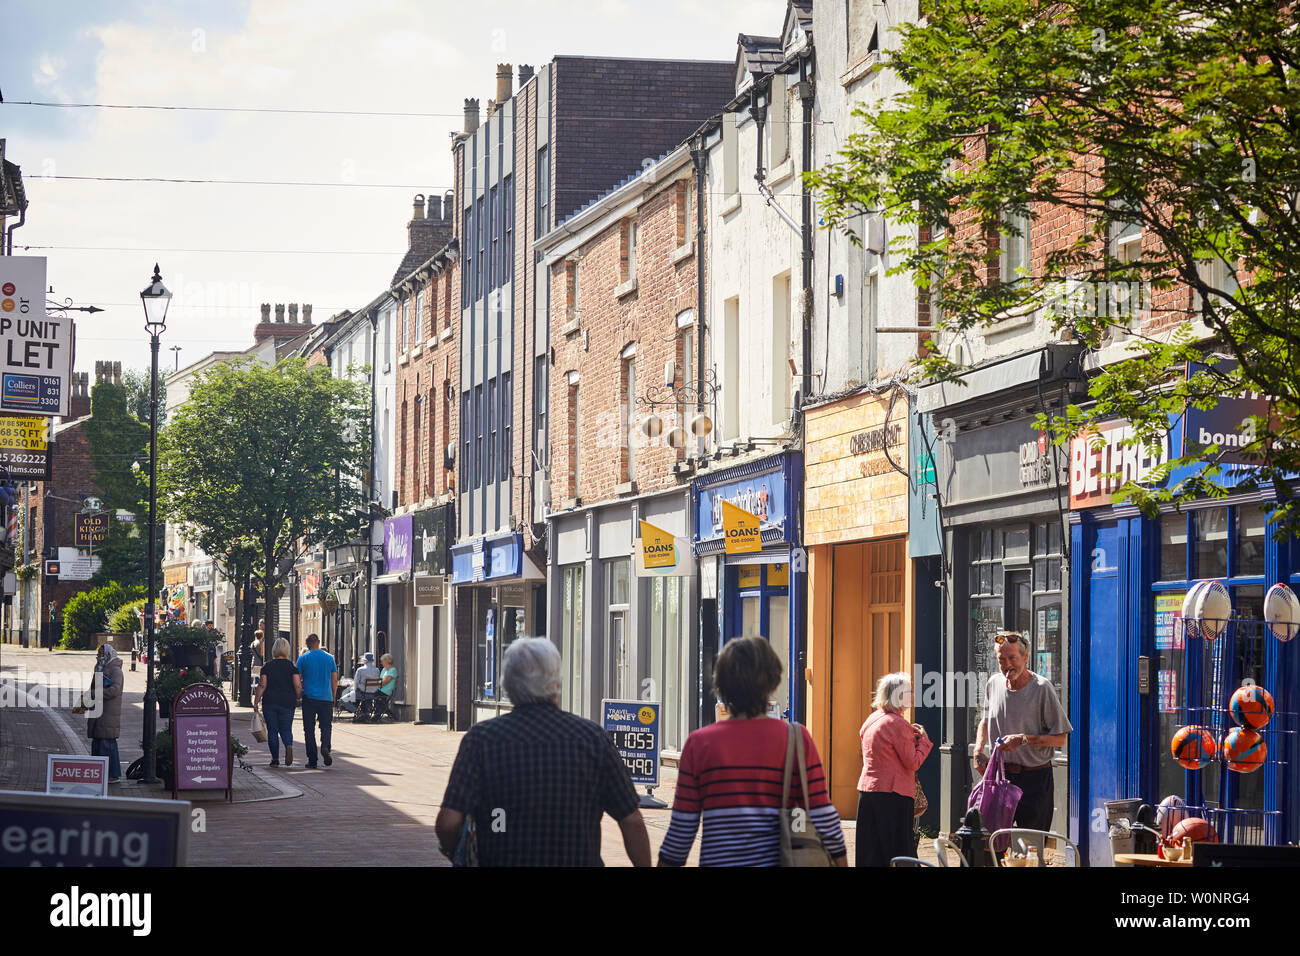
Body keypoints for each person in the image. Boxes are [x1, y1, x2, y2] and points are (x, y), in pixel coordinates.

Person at [435, 637, 651, 866]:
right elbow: (631, 821)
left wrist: (454, 851)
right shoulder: (592, 739)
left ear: (506, 686)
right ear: (557, 683)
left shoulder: (481, 740)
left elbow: (449, 823)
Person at [658, 636, 847, 867]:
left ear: (720, 685)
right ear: (773, 682)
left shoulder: (699, 744)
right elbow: (823, 817)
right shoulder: (796, 740)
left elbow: (681, 831)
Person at [973, 631, 1073, 832]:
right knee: (993, 844)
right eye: (1002, 659)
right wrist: (978, 749)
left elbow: (1061, 739)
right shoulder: (993, 683)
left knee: (1030, 846)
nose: (1007, 665)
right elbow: (985, 720)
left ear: (1026, 657)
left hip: (1035, 779)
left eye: (1012, 658)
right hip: (1000, 777)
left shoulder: (1042, 687)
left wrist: (1024, 740)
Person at [856, 672, 932, 867]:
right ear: (898, 695)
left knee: (871, 850)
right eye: (909, 691)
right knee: (898, 850)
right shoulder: (898, 724)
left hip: (869, 790)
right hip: (894, 793)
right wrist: (923, 741)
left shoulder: (872, 719)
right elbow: (913, 762)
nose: (913, 695)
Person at [76, 645, 124, 782]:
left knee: (106, 742)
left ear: (108, 654)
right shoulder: (99, 668)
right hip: (98, 711)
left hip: (108, 712)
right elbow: (93, 688)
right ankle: (99, 772)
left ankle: (112, 774)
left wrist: (95, 694)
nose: (99, 656)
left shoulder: (116, 670)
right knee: (98, 742)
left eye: (101, 653)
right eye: (98, 653)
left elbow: (115, 690)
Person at [254, 638, 302, 767]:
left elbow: (262, 685)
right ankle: (289, 746)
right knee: (286, 729)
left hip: (270, 702)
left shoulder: (267, 666)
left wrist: (256, 701)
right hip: (288, 701)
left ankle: (275, 759)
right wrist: (298, 698)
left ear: (274, 650)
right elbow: (297, 685)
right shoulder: (292, 666)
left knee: (273, 731)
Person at [296, 633, 338, 769]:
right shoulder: (329, 658)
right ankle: (325, 746)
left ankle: (312, 759)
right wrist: (334, 696)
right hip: (326, 697)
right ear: (318, 642)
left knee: (309, 729)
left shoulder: (302, 659)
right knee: (326, 726)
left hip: (309, 698)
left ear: (307, 644)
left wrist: (299, 695)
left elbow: (298, 680)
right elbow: (334, 680)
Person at [352, 652, 381, 722]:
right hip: (373, 693)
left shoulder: (360, 670)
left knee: (344, 700)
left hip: (363, 693)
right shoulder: (377, 670)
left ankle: (359, 713)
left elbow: (356, 682)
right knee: (363, 698)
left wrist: (354, 690)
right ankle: (364, 713)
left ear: (365, 660)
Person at [375, 653, 397, 720]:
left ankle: (376, 715)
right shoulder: (384, 669)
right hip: (380, 690)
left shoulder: (393, 670)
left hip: (386, 691)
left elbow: (386, 681)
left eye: (382, 661)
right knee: (368, 694)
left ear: (387, 661)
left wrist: (377, 685)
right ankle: (376, 714)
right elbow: (380, 679)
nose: (381, 663)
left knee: (370, 695)